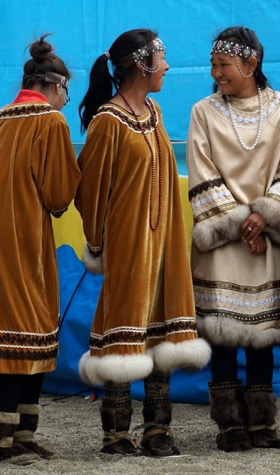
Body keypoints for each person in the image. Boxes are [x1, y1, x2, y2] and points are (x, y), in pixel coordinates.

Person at [76, 29, 211, 456]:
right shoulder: (107, 122)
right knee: (124, 331)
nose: (167, 67)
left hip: (165, 245)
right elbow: (91, 191)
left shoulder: (152, 112)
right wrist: (97, 244)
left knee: (162, 332)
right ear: (141, 63)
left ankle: (159, 430)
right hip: (129, 245)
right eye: (162, 58)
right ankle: (116, 433)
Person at [186, 26, 280, 452]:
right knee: (223, 333)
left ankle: (263, 425)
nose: (215, 73)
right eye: (214, 65)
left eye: (223, 65)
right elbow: (202, 170)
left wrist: (262, 217)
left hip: (264, 238)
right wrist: (240, 223)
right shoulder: (204, 111)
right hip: (224, 242)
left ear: (250, 64)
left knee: (262, 334)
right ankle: (230, 425)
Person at [0, 35, 81, 465]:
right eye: (67, 91)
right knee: (27, 337)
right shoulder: (50, 123)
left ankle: (18, 434)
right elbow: (57, 196)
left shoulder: (0, 118)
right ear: (57, 86)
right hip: (26, 244)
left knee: (11, 338)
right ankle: (11, 439)